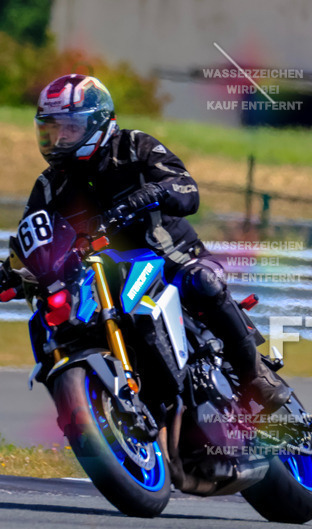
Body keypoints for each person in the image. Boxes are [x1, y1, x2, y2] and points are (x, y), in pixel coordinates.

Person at [0, 74, 288, 410]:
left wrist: (152, 194)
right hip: (103, 277)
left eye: (71, 129)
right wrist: (11, 271)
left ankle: (255, 375)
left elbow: (186, 188)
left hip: (171, 259)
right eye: (52, 130)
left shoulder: (135, 146)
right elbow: (34, 237)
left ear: (98, 124)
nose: (60, 139)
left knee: (203, 281)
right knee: (53, 326)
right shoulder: (48, 187)